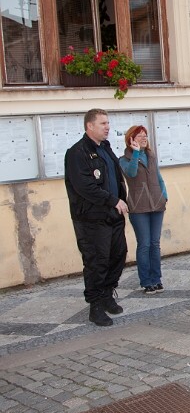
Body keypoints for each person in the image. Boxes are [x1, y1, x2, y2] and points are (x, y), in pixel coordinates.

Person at [65, 109, 128, 327]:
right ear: (89, 126)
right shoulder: (77, 153)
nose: (107, 127)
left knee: (118, 255)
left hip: (113, 215)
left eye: (108, 122)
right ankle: (95, 306)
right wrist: (113, 200)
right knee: (96, 262)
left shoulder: (106, 149)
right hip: (91, 218)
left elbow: (116, 179)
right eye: (103, 123)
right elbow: (85, 187)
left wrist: (120, 200)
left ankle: (107, 295)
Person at [119, 125, 168, 295]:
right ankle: (146, 281)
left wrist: (164, 195)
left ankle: (157, 279)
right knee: (144, 244)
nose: (143, 138)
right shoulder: (124, 159)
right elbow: (131, 174)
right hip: (138, 207)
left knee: (155, 243)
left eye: (145, 135)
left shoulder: (151, 155)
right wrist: (136, 153)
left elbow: (159, 177)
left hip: (157, 204)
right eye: (139, 135)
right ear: (131, 139)